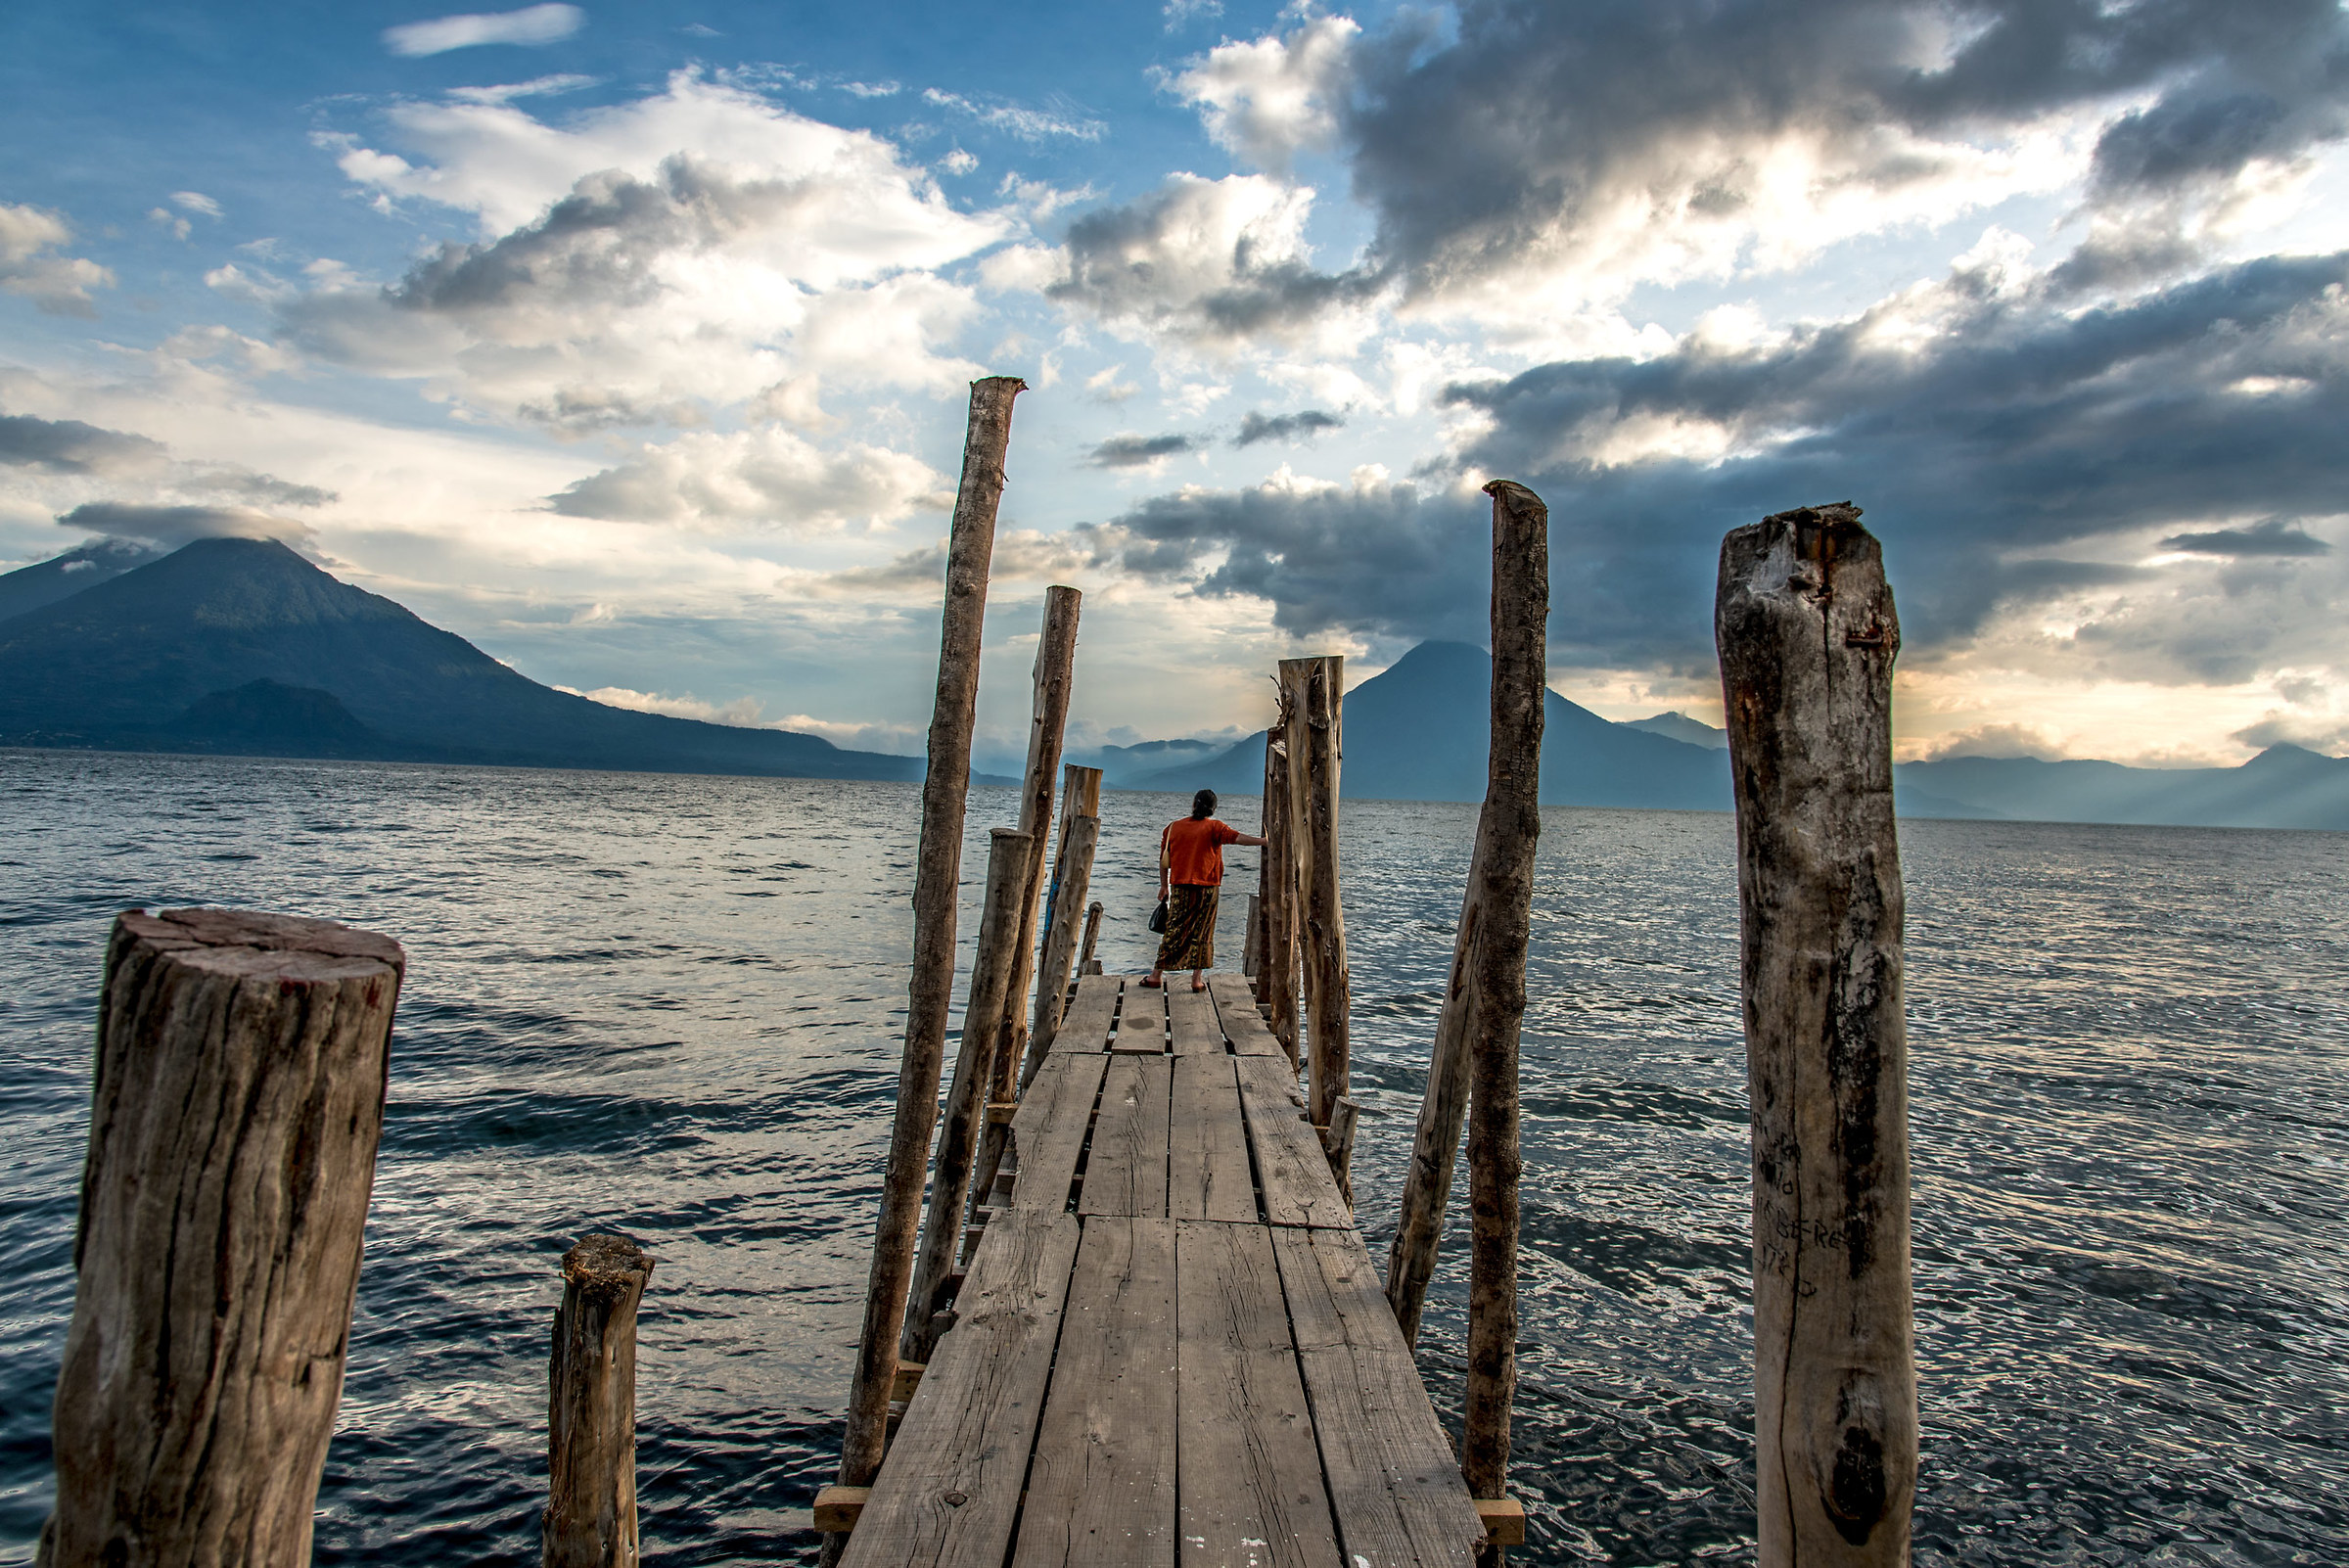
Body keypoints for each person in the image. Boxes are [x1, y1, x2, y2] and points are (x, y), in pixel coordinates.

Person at [1146, 788, 1266, 992]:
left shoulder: (1173, 828)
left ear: (1194, 805)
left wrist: (1164, 885)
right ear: (1213, 809)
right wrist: (1263, 841)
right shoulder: (1215, 828)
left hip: (1181, 886)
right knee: (1203, 932)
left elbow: (1164, 861)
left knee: (1174, 931)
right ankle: (1196, 980)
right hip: (1208, 889)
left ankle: (1156, 975)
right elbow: (1237, 838)